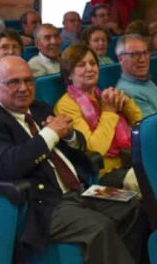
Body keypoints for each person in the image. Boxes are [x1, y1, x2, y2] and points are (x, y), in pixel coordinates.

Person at [0, 56, 153, 264]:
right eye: (13, 82)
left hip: (79, 189)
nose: (23, 88)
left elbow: (78, 143)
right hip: (43, 202)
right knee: (98, 228)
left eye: (28, 81)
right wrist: (50, 134)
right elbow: (8, 165)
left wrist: (67, 135)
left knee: (133, 206)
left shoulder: (40, 107)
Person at [54, 44, 142, 190]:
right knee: (148, 181)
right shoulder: (66, 105)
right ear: (69, 74)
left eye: (93, 63)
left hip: (127, 161)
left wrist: (126, 104)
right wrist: (109, 112)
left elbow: (140, 125)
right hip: (100, 173)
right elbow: (95, 149)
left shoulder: (102, 95)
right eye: (81, 65)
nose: (89, 68)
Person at [114, 34, 157, 118]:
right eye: (134, 55)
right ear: (121, 59)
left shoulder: (146, 81)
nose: (142, 59)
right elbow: (154, 128)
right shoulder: (126, 93)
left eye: (145, 53)